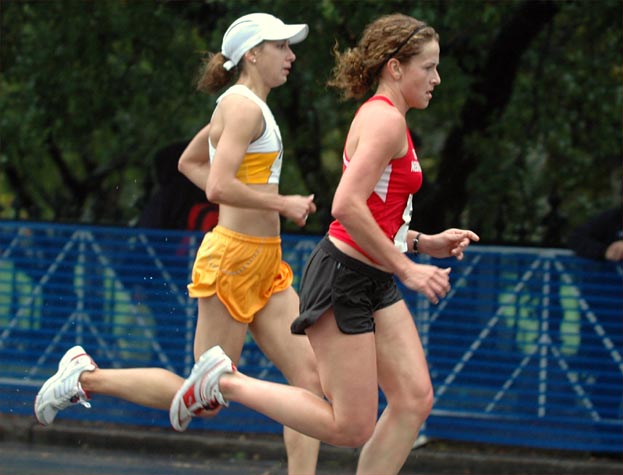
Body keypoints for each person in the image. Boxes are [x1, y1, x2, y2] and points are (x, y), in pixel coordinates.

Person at [170, 13, 479, 475]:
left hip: (371, 277)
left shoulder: (391, 120)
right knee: (350, 427)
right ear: (395, 68)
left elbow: (376, 211)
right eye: (428, 67)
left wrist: (421, 242)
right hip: (345, 279)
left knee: (414, 399)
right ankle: (225, 384)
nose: (436, 78)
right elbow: (346, 205)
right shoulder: (383, 121)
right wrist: (407, 268)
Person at [34, 13, 322, 475]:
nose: (291, 56)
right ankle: (84, 377)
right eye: (281, 46)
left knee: (310, 379)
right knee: (209, 395)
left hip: (266, 265)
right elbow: (217, 187)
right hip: (233, 261)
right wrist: (281, 203)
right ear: (253, 53)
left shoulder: (245, 106)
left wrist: (265, 206)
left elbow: (190, 162)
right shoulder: (244, 107)